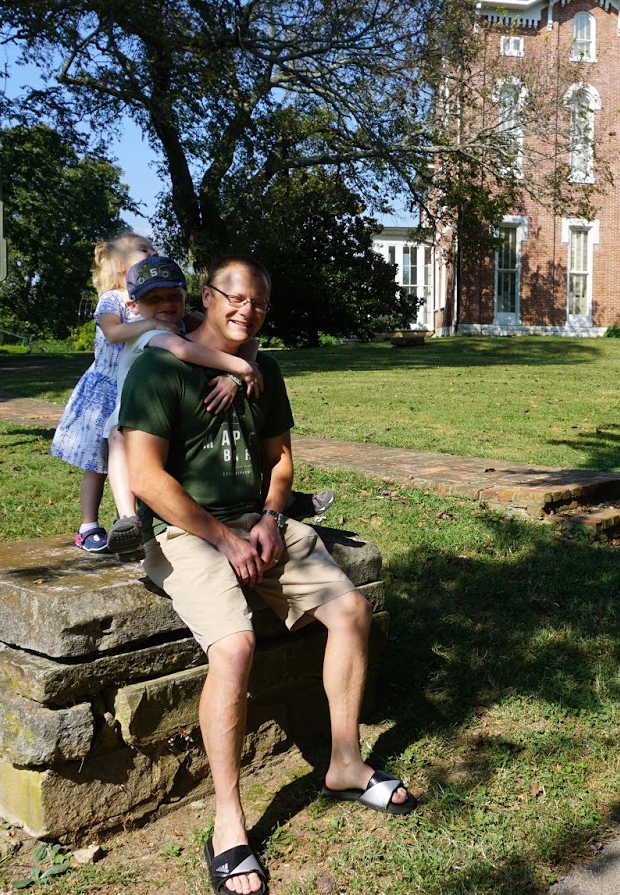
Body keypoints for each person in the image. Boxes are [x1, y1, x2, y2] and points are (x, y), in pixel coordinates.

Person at [120, 256, 414, 895]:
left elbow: (280, 460)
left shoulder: (265, 370)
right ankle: (229, 821)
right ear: (206, 296)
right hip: (184, 535)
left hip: (259, 524)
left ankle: (344, 762)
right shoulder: (157, 368)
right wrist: (223, 537)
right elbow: (145, 478)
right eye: (234, 296)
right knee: (235, 647)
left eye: (257, 302)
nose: (246, 310)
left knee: (352, 610)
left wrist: (273, 519)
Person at [101, 255, 264, 555]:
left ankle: (279, 498)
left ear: (186, 298)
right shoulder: (148, 332)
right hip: (133, 414)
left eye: (173, 296)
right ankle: (128, 518)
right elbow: (184, 350)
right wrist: (240, 368)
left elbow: (250, 342)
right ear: (133, 307)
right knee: (120, 443)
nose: (166, 304)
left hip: (165, 414)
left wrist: (236, 374)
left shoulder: (185, 323)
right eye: (154, 299)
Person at [50, 232, 163, 553]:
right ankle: (87, 525)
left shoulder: (153, 300)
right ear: (120, 266)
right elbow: (113, 332)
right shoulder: (113, 299)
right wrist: (151, 322)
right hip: (106, 391)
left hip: (139, 389)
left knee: (136, 457)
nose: (153, 252)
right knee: (97, 464)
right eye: (144, 249)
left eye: (153, 248)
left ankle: (128, 521)